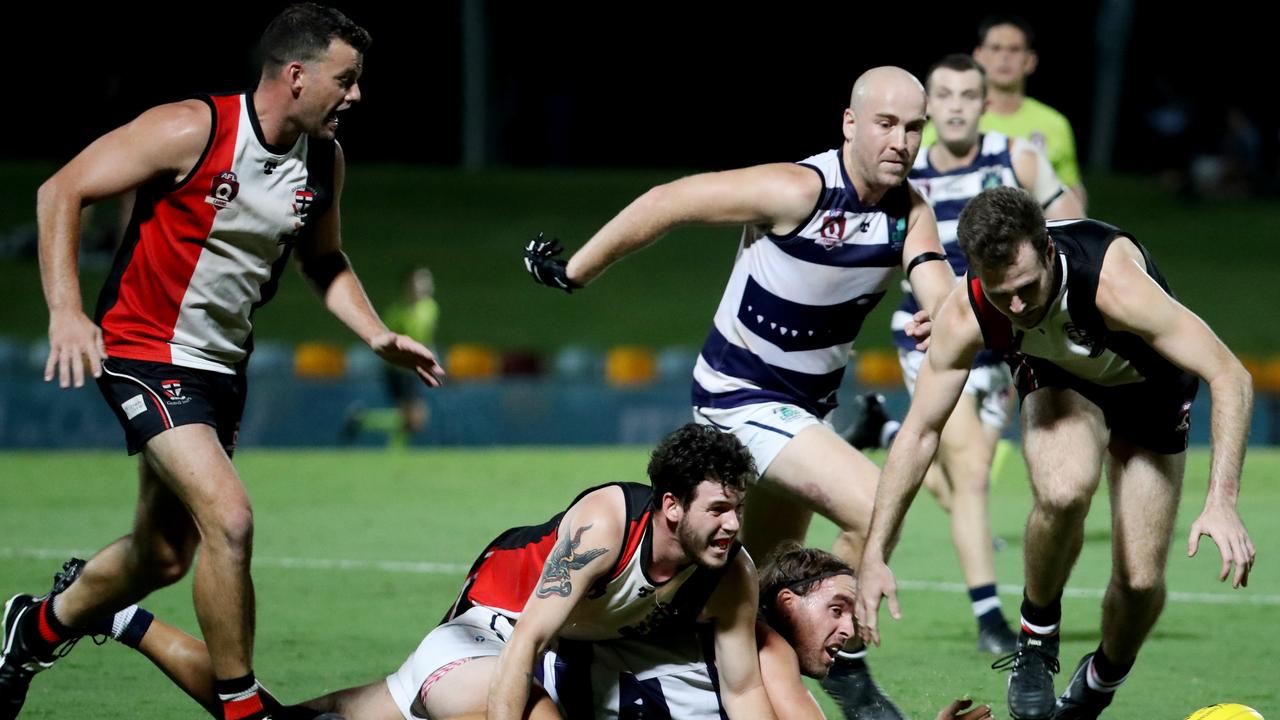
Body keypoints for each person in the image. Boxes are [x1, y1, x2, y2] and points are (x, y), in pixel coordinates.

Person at [4, 6, 443, 720]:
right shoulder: (190, 129)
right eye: (347, 79)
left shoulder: (324, 159)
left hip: (219, 372)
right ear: (296, 77)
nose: (357, 95)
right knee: (231, 520)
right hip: (143, 352)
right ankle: (242, 709)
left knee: (163, 556)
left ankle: (38, 626)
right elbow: (61, 191)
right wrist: (65, 309)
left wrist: (375, 333)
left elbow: (323, 257)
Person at [524, 65, 957, 720]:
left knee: (764, 576)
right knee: (874, 505)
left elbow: (932, 275)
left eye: (913, 128)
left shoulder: (907, 213)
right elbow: (672, 199)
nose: (900, 140)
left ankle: (710, 680)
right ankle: (847, 668)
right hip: (740, 398)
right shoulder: (797, 190)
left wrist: (943, 312)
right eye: (886, 124)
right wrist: (576, 270)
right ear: (850, 124)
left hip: (806, 412)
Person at [856, 186, 1256, 719]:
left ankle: (1100, 680)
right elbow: (919, 433)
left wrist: (1222, 501)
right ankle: (1036, 640)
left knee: (1139, 581)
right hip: (1060, 378)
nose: (1017, 307)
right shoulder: (971, 308)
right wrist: (875, 551)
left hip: (1150, 387)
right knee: (1064, 489)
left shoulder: (1112, 284)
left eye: (1025, 288)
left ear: (1047, 251)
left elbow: (1231, 374)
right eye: (1001, 296)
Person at [45, 546, 994, 720]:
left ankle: (118, 615)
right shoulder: (765, 644)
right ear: (782, 604)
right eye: (837, 606)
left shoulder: (714, 616)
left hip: (473, 657)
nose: (852, 628)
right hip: (494, 675)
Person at [877, 53, 1085, 655]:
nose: (958, 106)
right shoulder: (907, 176)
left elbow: (1072, 223)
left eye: (970, 95)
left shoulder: (1014, 157)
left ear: (984, 102)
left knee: (965, 476)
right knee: (969, 474)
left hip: (1006, 339)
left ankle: (891, 433)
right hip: (930, 337)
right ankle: (991, 616)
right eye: (945, 96)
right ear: (931, 107)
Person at [921, 15, 1086, 210]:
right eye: (996, 48)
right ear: (978, 56)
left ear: (1030, 60)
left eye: (1014, 49)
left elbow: (1071, 190)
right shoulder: (945, 127)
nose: (1004, 57)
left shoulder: (1055, 124)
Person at [345, 266, 440, 447]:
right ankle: (369, 425)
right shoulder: (396, 313)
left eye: (427, 282)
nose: (424, 286)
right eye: (419, 282)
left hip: (415, 369)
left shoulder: (431, 308)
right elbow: (384, 341)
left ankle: (363, 421)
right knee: (412, 418)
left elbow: (427, 338)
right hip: (397, 370)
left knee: (411, 420)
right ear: (408, 286)